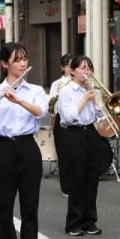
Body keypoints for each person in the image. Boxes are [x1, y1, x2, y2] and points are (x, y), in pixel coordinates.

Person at [0, 42, 47, 239]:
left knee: (30, 206)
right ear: (4, 63)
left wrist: (18, 99)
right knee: (5, 207)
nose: (22, 63)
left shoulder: (36, 90)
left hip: (28, 147)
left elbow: (41, 112)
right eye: (17, 59)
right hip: (4, 149)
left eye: (24, 59)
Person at [57, 56, 114, 236]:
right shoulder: (66, 92)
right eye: (82, 68)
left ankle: (90, 221)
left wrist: (96, 100)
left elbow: (98, 114)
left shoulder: (91, 89)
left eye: (89, 68)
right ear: (72, 71)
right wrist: (84, 98)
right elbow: (68, 117)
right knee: (77, 178)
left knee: (92, 178)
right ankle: (74, 222)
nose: (86, 72)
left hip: (90, 132)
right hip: (73, 133)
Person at [48, 54, 75, 196]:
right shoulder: (56, 84)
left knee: (77, 154)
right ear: (62, 67)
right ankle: (66, 187)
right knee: (63, 155)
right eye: (68, 65)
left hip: (77, 120)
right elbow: (51, 104)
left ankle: (78, 184)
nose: (71, 68)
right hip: (61, 119)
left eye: (73, 65)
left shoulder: (80, 82)